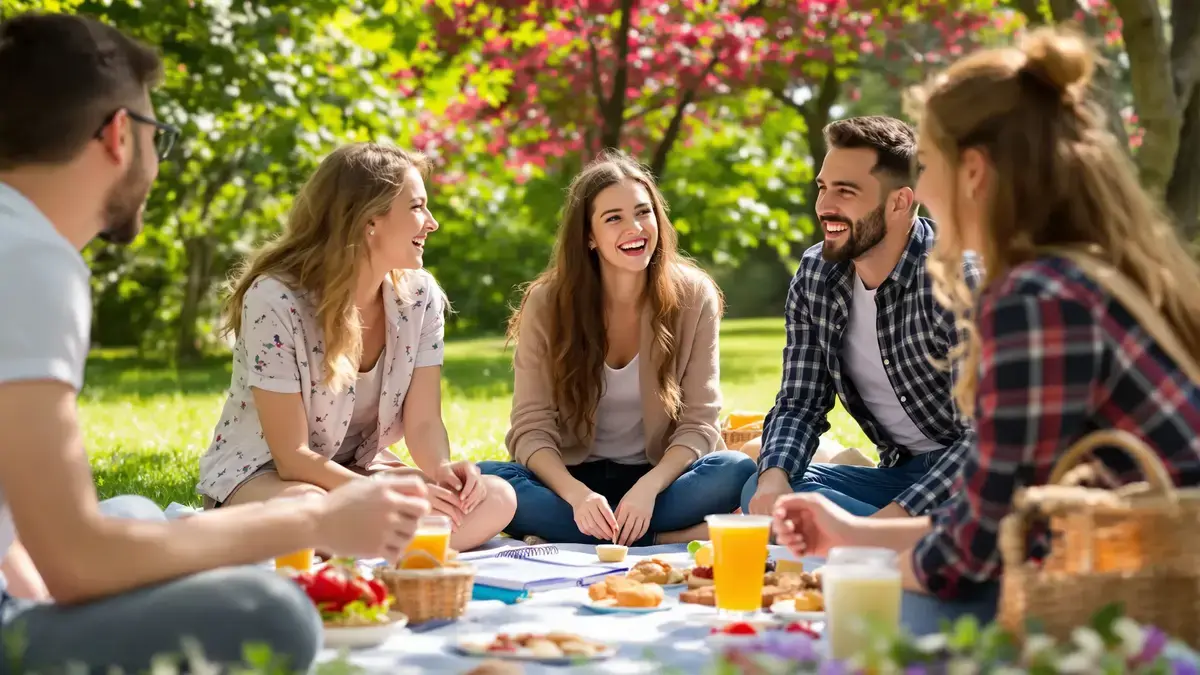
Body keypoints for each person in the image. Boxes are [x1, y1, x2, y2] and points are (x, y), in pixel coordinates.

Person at [0, 13, 432, 673]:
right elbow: (77, 563)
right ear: (120, 135)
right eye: (157, 135)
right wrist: (312, 524)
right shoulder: (32, 260)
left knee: (137, 510)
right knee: (273, 614)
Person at [772, 26, 1200, 601]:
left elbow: (970, 552)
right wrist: (851, 534)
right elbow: (996, 513)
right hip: (1120, 558)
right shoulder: (1082, 270)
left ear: (972, 171)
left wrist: (854, 563)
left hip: (1148, 600)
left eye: (927, 164)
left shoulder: (1033, 299)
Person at [195, 142, 516, 554]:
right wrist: (375, 494)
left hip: (359, 473)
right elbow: (292, 457)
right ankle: (370, 543)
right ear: (370, 222)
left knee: (497, 498)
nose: (432, 223)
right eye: (417, 208)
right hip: (267, 475)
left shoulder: (420, 297)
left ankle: (357, 546)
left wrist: (441, 473)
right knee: (309, 509)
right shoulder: (275, 299)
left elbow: (423, 424)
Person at [479, 150, 756, 547]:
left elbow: (700, 422)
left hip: (659, 483)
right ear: (589, 237)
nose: (636, 228)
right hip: (570, 484)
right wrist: (577, 496)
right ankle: (658, 537)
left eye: (644, 213)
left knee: (736, 469)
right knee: (489, 481)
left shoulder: (694, 296)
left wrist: (647, 489)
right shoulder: (548, 303)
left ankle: (596, 534)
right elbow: (530, 428)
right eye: (614, 218)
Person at [741, 116, 981, 520]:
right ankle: (890, 544)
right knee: (765, 487)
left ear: (900, 201)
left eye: (846, 191)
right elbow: (800, 403)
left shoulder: (956, 281)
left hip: (970, 482)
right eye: (823, 188)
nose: (824, 207)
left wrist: (892, 520)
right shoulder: (816, 275)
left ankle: (884, 539)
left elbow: (985, 440)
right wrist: (773, 480)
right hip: (897, 477)